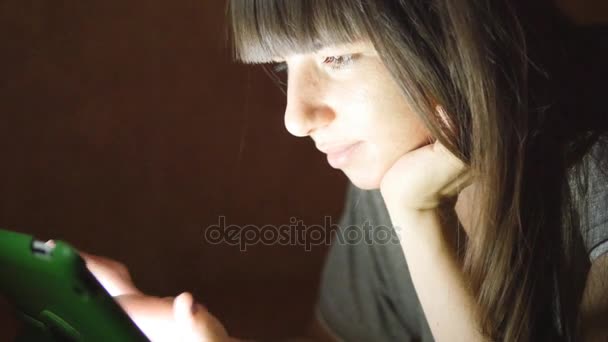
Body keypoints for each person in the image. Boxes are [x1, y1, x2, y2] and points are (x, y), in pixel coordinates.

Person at [2, 0, 606, 341]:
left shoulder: (594, 178)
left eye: (338, 56)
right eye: (281, 68)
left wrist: (416, 218)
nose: (296, 117)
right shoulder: (395, 167)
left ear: (455, 33)